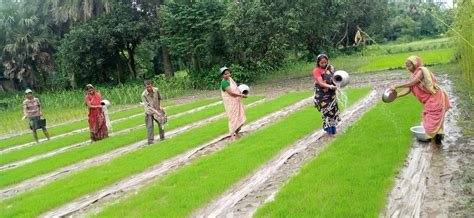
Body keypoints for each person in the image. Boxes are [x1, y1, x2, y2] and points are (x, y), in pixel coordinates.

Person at [389, 55, 450, 150]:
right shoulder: (413, 75)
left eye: (409, 66)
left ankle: (435, 146)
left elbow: (412, 83)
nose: (407, 68)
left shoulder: (421, 71)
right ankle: (437, 145)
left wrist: (396, 85)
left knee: (431, 123)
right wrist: (396, 96)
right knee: (432, 123)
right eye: (406, 66)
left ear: (415, 64)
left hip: (436, 98)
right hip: (431, 100)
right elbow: (408, 89)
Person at [312, 54, 340, 140]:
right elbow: (321, 83)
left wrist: (337, 86)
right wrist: (331, 86)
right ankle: (328, 133)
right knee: (326, 113)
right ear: (318, 63)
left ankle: (332, 131)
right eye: (321, 63)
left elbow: (335, 78)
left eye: (325, 62)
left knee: (332, 112)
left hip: (331, 94)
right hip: (321, 95)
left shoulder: (331, 68)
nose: (324, 64)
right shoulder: (316, 70)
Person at [220, 67, 247, 141]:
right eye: (225, 74)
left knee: (239, 117)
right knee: (233, 118)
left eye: (228, 73)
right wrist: (241, 95)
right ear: (222, 75)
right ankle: (232, 136)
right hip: (230, 103)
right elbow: (231, 93)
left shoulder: (230, 79)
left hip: (236, 101)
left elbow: (236, 88)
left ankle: (237, 133)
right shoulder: (224, 82)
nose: (228, 75)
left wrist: (241, 92)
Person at [141, 80, 165, 145]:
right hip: (149, 112)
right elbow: (148, 106)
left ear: (152, 85)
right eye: (147, 87)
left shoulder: (156, 90)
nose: (149, 88)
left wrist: (160, 106)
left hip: (157, 109)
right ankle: (150, 141)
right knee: (149, 126)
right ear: (145, 87)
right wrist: (156, 112)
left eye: (150, 87)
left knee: (161, 123)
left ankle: (162, 137)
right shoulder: (143, 95)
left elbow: (159, 98)